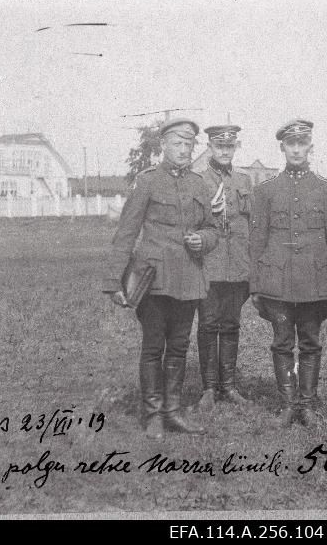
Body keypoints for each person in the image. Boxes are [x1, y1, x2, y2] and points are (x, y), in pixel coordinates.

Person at [106, 117, 218, 440]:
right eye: (177, 144)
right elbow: (126, 231)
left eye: (188, 144)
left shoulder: (199, 185)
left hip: (188, 280)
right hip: (153, 281)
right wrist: (114, 281)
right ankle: (153, 414)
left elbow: (212, 230)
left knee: (180, 347)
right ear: (164, 146)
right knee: (154, 346)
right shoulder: (148, 182)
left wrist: (203, 240)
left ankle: (173, 411)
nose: (183, 150)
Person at [249, 119, 327, 429]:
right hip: (276, 280)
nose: (296, 149)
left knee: (310, 342)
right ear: (282, 147)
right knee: (281, 342)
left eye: (301, 143)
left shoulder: (325, 188)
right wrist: (255, 284)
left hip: (314, 281)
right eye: (290, 144)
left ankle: (307, 404)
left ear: (310, 147)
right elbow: (258, 239)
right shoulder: (266, 190)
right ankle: (288, 404)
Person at [195, 124, 253, 410]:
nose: (225, 151)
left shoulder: (244, 180)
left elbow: (252, 224)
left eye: (229, 147)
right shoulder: (199, 180)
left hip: (238, 266)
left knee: (231, 324)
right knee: (208, 324)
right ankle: (208, 388)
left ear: (235, 148)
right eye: (219, 147)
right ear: (209, 148)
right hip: (209, 264)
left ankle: (228, 386)